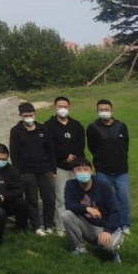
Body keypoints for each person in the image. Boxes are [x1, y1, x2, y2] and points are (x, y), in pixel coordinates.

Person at [63, 157, 124, 262]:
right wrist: (87, 208)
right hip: (88, 226)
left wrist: (108, 231)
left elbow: (115, 212)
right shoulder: (70, 185)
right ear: (73, 173)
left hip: (105, 226)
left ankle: (114, 250)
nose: (83, 172)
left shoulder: (103, 186)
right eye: (78, 170)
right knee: (66, 215)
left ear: (91, 171)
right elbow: (69, 205)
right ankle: (80, 249)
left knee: (108, 247)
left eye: (86, 169)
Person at [10, 102, 56, 235]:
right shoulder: (16, 131)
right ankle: (36, 226)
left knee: (49, 198)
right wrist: (18, 172)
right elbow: (14, 153)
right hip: (27, 171)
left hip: (45, 169)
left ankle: (49, 225)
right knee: (31, 199)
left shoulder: (43, 129)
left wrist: (53, 170)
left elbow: (50, 150)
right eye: (25, 116)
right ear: (20, 115)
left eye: (30, 115)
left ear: (35, 114)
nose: (28, 118)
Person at [87, 99, 131, 234]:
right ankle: (108, 223)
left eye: (106, 109)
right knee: (105, 198)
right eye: (101, 110)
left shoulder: (121, 126)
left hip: (121, 170)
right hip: (103, 170)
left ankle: (124, 224)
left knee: (123, 197)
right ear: (97, 111)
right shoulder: (93, 127)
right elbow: (92, 147)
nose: (104, 112)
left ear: (112, 110)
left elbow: (125, 145)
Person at [45, 96, 86, 237]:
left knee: (77, 197)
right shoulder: (48, 125)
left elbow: (81, 145)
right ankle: (61, 227)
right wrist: (64, 156)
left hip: (75, 167)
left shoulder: (77, 125)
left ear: (69, 107)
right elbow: (50, 147)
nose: (62, 109)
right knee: (61, 198)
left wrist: (74, 159)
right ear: (55, 107)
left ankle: (78, 224)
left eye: (65, 106)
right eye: (60, 106)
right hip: (59, 166)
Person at [0, 144, 29, 233]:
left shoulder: (13, 170)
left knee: (21, 203)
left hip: (7, 201)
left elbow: (19, 189)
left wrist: (5, 196)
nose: (1, 161)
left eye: (4, 159)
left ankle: (21, 229)